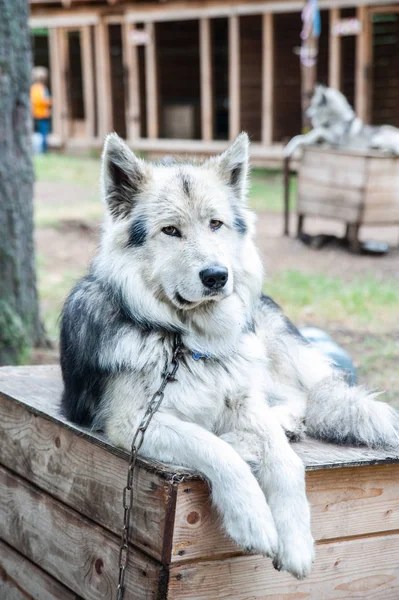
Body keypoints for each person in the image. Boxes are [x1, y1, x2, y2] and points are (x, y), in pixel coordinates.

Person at [31, 66, 52, 153]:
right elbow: (41, 101)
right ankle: (43, 150)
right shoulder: (41, 88)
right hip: (42, 114)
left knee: (39, 132)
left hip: (36, 113)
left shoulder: (33, 88)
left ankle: (39, 150)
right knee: (43, 133)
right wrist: (50, 101)